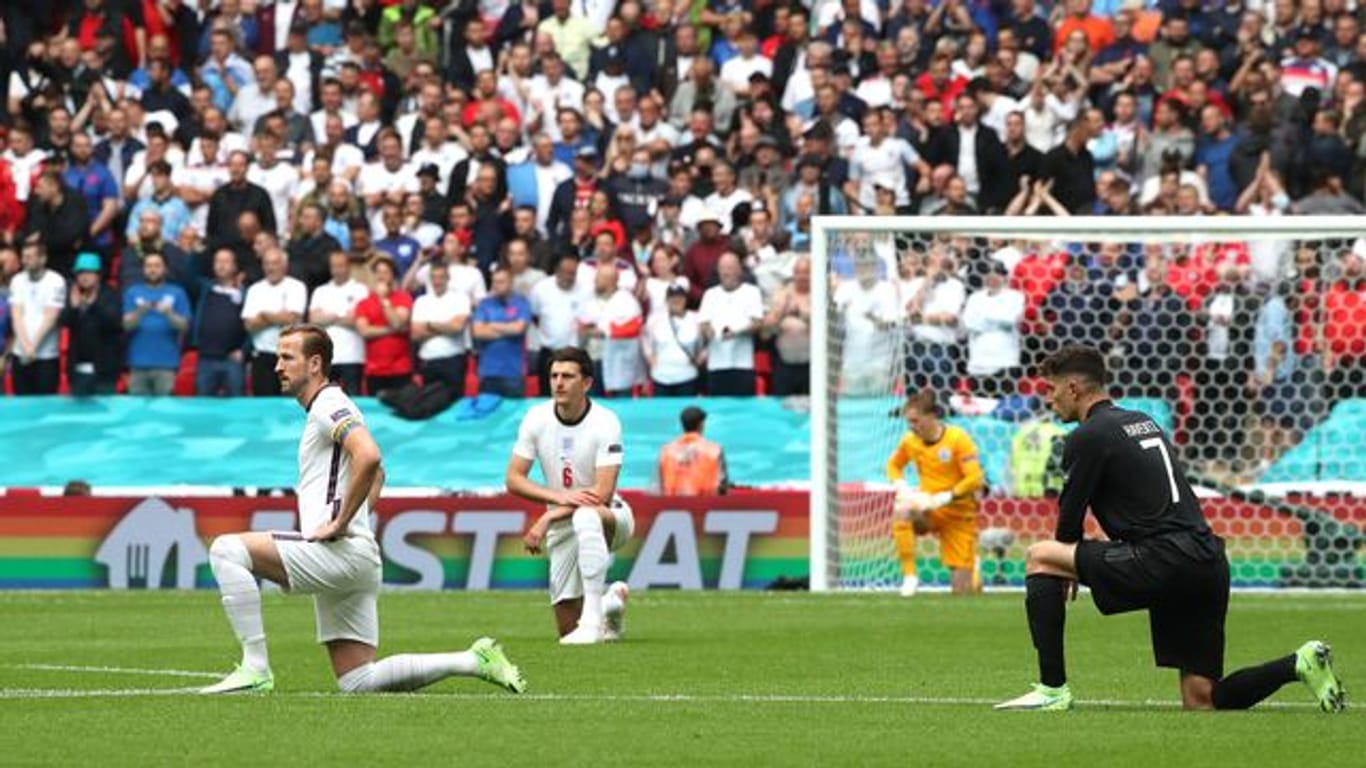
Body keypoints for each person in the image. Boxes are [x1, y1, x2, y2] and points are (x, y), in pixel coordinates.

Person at [995, 345, 1345, 712]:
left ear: (1073, 389)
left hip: (1164, 558)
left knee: (1040, 556)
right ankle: (1298, 663)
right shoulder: (1141, 421)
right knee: (1202, 699)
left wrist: (1064, 566)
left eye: (1051, 391)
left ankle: (1052, 690)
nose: (1049, 401)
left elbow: (1068, 521)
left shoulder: (1087, 436)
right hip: (1206, 560)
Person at [200, 324, 526, 695]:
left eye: (287, 357)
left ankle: (255, 668)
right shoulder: (327, 406)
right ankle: (472, 660)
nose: (277, 366)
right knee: (358, 680)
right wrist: (353, 520)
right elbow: (378, 474)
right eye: (277, 357)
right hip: (354, 555)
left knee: (227, 549)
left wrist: (339, 522)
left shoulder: (329, 403)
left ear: (315, 364)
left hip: (338, 552)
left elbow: (370, 457)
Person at [505, 347, 633, 645]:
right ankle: (608, 605)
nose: (558, 383)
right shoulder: (536, 419)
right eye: (554, 376)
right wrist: (556, 500)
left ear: (586, 383)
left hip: (611, 517)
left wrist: (549, 514)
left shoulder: (606, 421)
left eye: (567, 376)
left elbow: (601, 493)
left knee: (587, 515)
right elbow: (513, 479)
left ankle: (591, 621)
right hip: (563, 523)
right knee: (566, 630)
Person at [886, 388, 986, 597]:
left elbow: (975, 478)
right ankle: (910, 577)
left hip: (959, 512)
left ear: (931, 417)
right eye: (909, 422)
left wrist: (947, 496)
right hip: (928, 509)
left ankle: (973, 571)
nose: (911, 427)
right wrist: (901, 485)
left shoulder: (958, 439)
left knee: (963, 592)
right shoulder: (910, 441)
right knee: (902, 511)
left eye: (915, 421)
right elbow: (893, 465)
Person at [123, 252, 191, 396]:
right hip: (137, 363)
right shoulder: (132, 292)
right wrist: (140, 312)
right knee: (137, 410)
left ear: (165, 269)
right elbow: (126, 326)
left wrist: (169, 314)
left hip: (166, 364)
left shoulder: (177, 293)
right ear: (143, 269)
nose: (152, 269)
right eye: (149, 266)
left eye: (157, 266)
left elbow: (184, 326)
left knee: (165, 410)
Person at [8, 241, 67, 395]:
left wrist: (33, 346)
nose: (25, 260)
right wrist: (26, 346)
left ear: (43, 259)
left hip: (46, 355)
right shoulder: (17, 280)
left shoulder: (56, 281)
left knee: (45, 405)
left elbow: (51, 316)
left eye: (29, 257)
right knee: (21, 404)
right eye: (23, 256)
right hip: (20, 353)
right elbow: (17, 315)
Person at [61, 252, 122, 396]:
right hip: (78, 370)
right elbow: (64, 322)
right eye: (80, 272)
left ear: (98, 275)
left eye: (89, 272)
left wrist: (93, 305)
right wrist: (75, 309)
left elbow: (113, 323)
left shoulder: (110, 295)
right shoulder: (73, 295)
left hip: (104, 371)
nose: (84, 276)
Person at [658, 406, 730, 495]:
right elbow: (722, 486)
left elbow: (658, 486)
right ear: (701, 425)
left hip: (671, 506)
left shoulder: (666, 451)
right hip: (706, 505)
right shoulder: (714, 450)